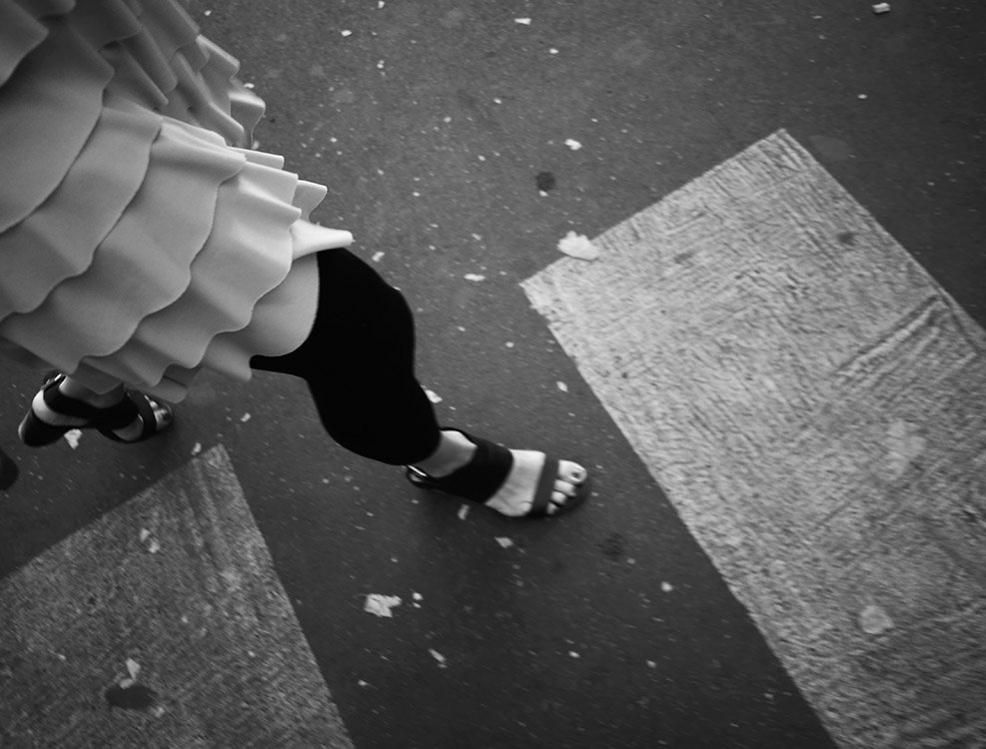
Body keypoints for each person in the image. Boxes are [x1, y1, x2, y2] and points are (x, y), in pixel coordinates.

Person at [1, 0, 588, 518]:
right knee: (356, 328)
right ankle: (440, 458)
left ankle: (91, 391)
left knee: (108, 291)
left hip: (67, 48)